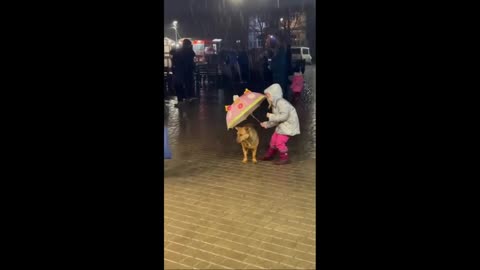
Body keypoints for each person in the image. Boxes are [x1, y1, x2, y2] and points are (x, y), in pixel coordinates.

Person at [260, 83, 300, 165]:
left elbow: (283, 116)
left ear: (274, 94)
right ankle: (269, 155)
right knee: (273, 140)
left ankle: (284, 158)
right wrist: (267, 124)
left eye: (268, 95)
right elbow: (276, 120)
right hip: (282, 126)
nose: (267, 97)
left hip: (288, 126)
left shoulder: (281, 103)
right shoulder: (275, 104)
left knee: (279, 142)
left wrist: (271, 115)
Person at [174, 39, 196, 107]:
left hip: (180, 70)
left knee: (179, 85)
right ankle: (190, 97)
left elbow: (174, 57)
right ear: (189, 45)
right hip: (188, 70)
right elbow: (192, 58)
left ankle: (180, 100)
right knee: (188, 84)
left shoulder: (179, 51)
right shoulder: (190, 51)